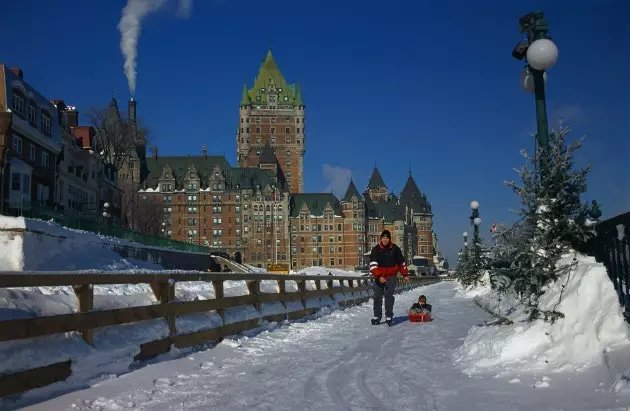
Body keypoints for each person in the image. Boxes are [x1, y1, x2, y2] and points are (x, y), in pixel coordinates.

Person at [369, 229, 409, 326]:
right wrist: (378, 276)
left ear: (390, 239)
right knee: (377, 296)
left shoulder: (395, 249)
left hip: (391, 276)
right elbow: (373, 265)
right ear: (381, 239)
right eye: (383, 238)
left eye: (387, 238)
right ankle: (377, 316)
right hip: (380, 276)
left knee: (388, 295)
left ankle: (389, 315)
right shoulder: (376, 250)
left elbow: (401, 263)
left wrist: (405, 274)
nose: (385, 240)